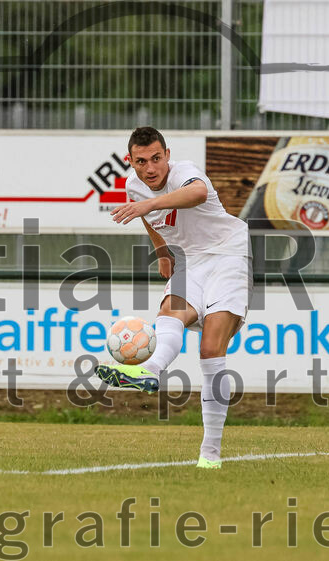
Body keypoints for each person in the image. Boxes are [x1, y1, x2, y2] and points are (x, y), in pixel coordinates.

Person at [96, 127, 252, 469]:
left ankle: (210, 453)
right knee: (170, 312)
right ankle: (149, 370)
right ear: (130, 162)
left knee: (211, 349)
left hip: (228, 255)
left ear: (167, 154)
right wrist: (162, 253)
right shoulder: (135, 186)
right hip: (189, 260)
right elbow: (151, 220)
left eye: (156, 158)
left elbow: (196, 194)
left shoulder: (185, 172)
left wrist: (149, 204)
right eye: (142, 161)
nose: (151, 168)